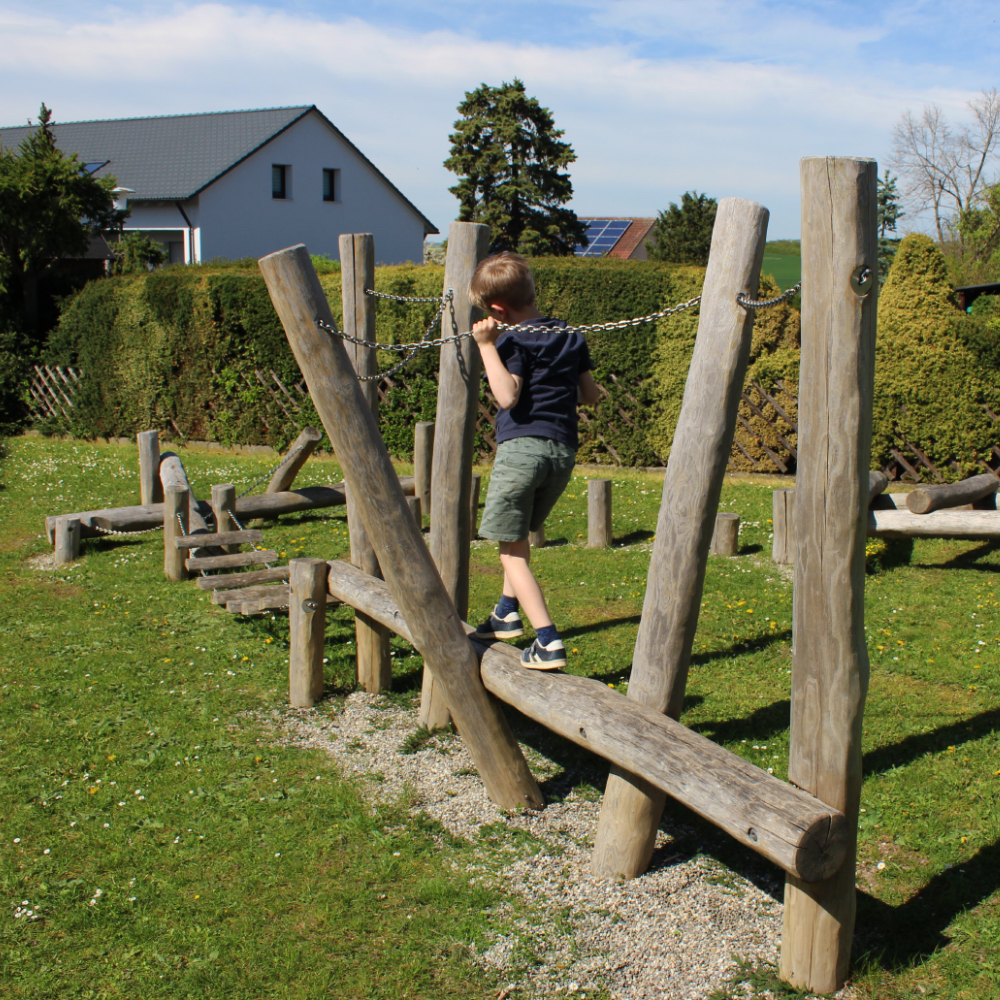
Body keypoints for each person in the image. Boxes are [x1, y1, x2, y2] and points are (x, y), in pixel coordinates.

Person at [469, 251, 600, 669]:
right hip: (562, 453)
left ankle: (547, 641)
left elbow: (508, 395)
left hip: (522, 450)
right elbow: (589, 394)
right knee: (520, 536)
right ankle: (506, 613)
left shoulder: (510, 339)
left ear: (496, 310)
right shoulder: (570, 337)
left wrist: (487, 345)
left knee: (510, 552)